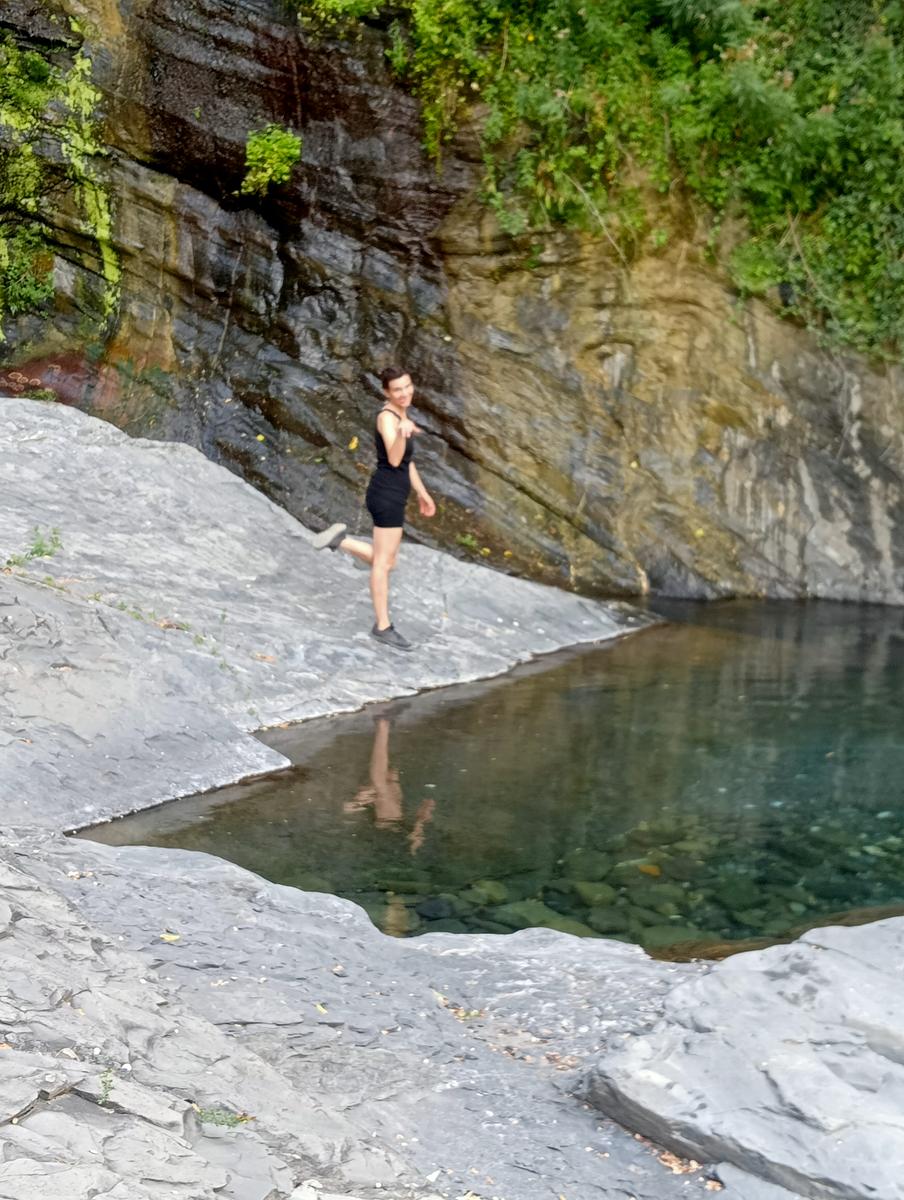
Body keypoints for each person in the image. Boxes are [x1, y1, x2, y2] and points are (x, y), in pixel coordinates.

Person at [314, 367, 436, 650]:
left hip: (396, 492)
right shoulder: (386, 417)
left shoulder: (401, 414)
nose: (405, 393)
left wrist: (422, 492)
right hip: (386, 494)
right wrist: (403, 434)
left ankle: (340, 540)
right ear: (386, 393)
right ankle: (383, 626)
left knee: (387, 561)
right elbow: (394, 460)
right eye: (397, 390)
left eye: (407, 387)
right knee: (383, 563)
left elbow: (408, 463)